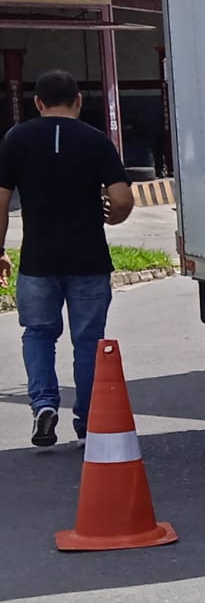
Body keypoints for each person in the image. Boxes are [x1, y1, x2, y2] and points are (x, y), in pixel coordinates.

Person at [0, 70, 134, 448]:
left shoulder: (16, 139)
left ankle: (44, 405)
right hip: (89, 258)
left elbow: (2, 200)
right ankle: (88, 420)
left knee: (38, 334)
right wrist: (113, 215)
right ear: (78, 100)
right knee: (89, 340)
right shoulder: (95, 141)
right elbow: (122, 199)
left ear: (38, 103)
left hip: (38, 260)